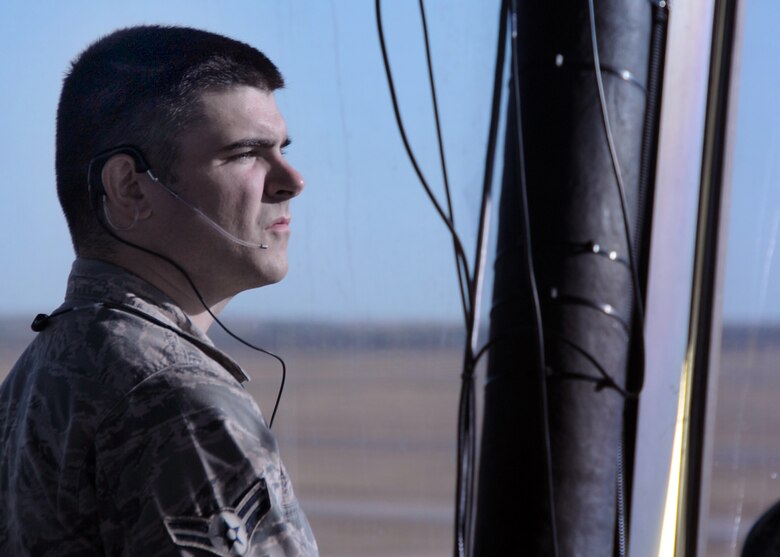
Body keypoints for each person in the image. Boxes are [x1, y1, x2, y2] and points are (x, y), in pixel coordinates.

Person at [0, 25, 318, 556]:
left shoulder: (38, 375)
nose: (291, 180)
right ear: (129, 187)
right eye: (246, 153)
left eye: (282, 149)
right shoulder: (180, 402)